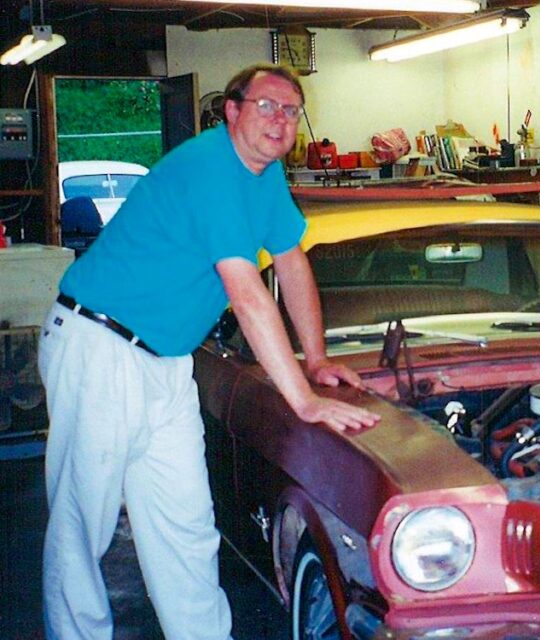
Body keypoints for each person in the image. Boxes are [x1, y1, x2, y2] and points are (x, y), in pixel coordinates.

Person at [37, 63, 380, 640]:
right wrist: (304, 400)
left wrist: (315, 360)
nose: (280, 119)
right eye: (267, 105)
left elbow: (292, 263)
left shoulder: (263, 175)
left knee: (186, 525)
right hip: (99, 347)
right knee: (82, 525)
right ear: (232, 110)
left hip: (168, 360)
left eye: (291, 110)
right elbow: (247, 295)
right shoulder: (210, 166)